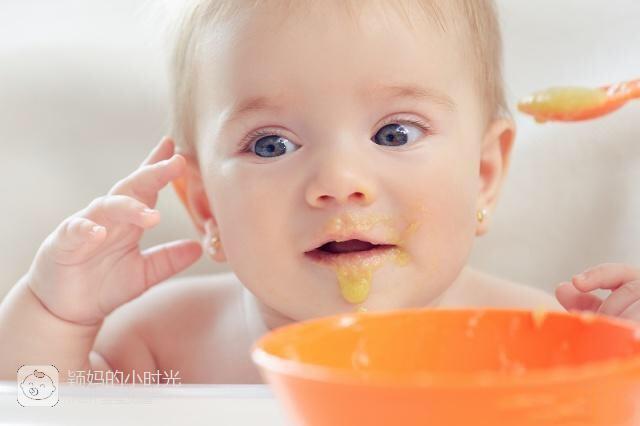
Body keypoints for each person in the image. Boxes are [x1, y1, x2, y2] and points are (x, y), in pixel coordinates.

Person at [1, 0, 635, 384]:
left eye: (394, 132)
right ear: (205, 207)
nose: (338, 184)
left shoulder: (542, 342)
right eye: (271, 145)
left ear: (483, 177)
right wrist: (53, 317)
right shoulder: (160, 344)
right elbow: (36, 403)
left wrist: (627, 364)